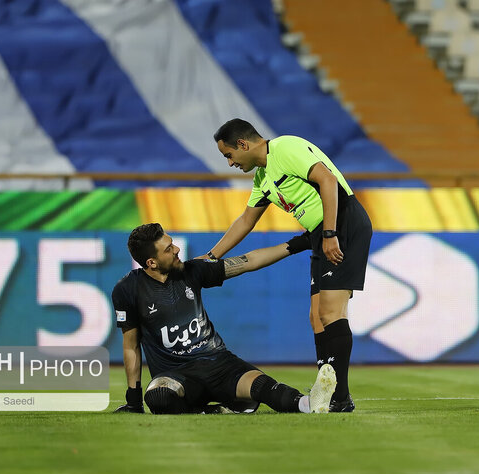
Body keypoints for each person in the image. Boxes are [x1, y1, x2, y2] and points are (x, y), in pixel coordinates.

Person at [207, 119, 373, 413]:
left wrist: (331, 233)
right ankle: (330, 393)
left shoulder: (286, 147)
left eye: (229, 155)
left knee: (331, 312)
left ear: (243, 144)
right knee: (317, 317)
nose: (230, 163)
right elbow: (246, 220)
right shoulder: (262, 178)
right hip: (321, 233)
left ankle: (338, 398)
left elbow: (329, 181)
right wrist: (211, 257)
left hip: (341, 223)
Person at [112, 222, 337, 414]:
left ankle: (308, 403)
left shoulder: (193, 270)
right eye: (169, 248)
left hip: (219, 365)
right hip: (176, 375)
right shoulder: (128, 289)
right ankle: (215, 407)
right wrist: (133, 400)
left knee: (262, 386)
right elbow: (131, 346)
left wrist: (301, 242)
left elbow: (248, 261)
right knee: (158, 397)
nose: (177, 249)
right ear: (151, 262)